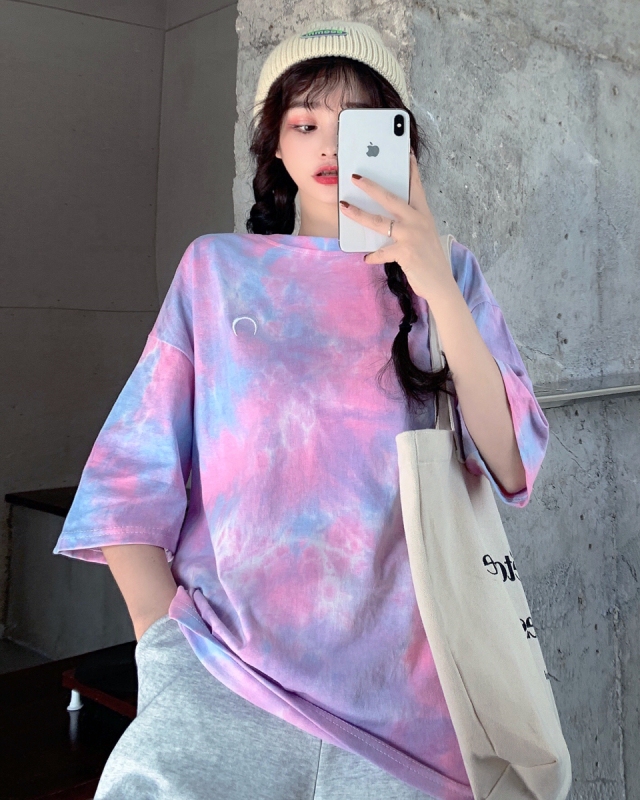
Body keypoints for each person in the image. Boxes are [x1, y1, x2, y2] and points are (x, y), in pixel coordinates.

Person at [52, 18, 550, 800]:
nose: (329, 145)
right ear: (274, 148)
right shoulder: (216, 271)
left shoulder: (449, 274)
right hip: (226, 679)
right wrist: (164, 642)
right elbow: (128, 475)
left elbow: (513, 462)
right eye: (305, 122)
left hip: (408, 714)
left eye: (357, 124)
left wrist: (436, 285)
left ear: (397, 142)